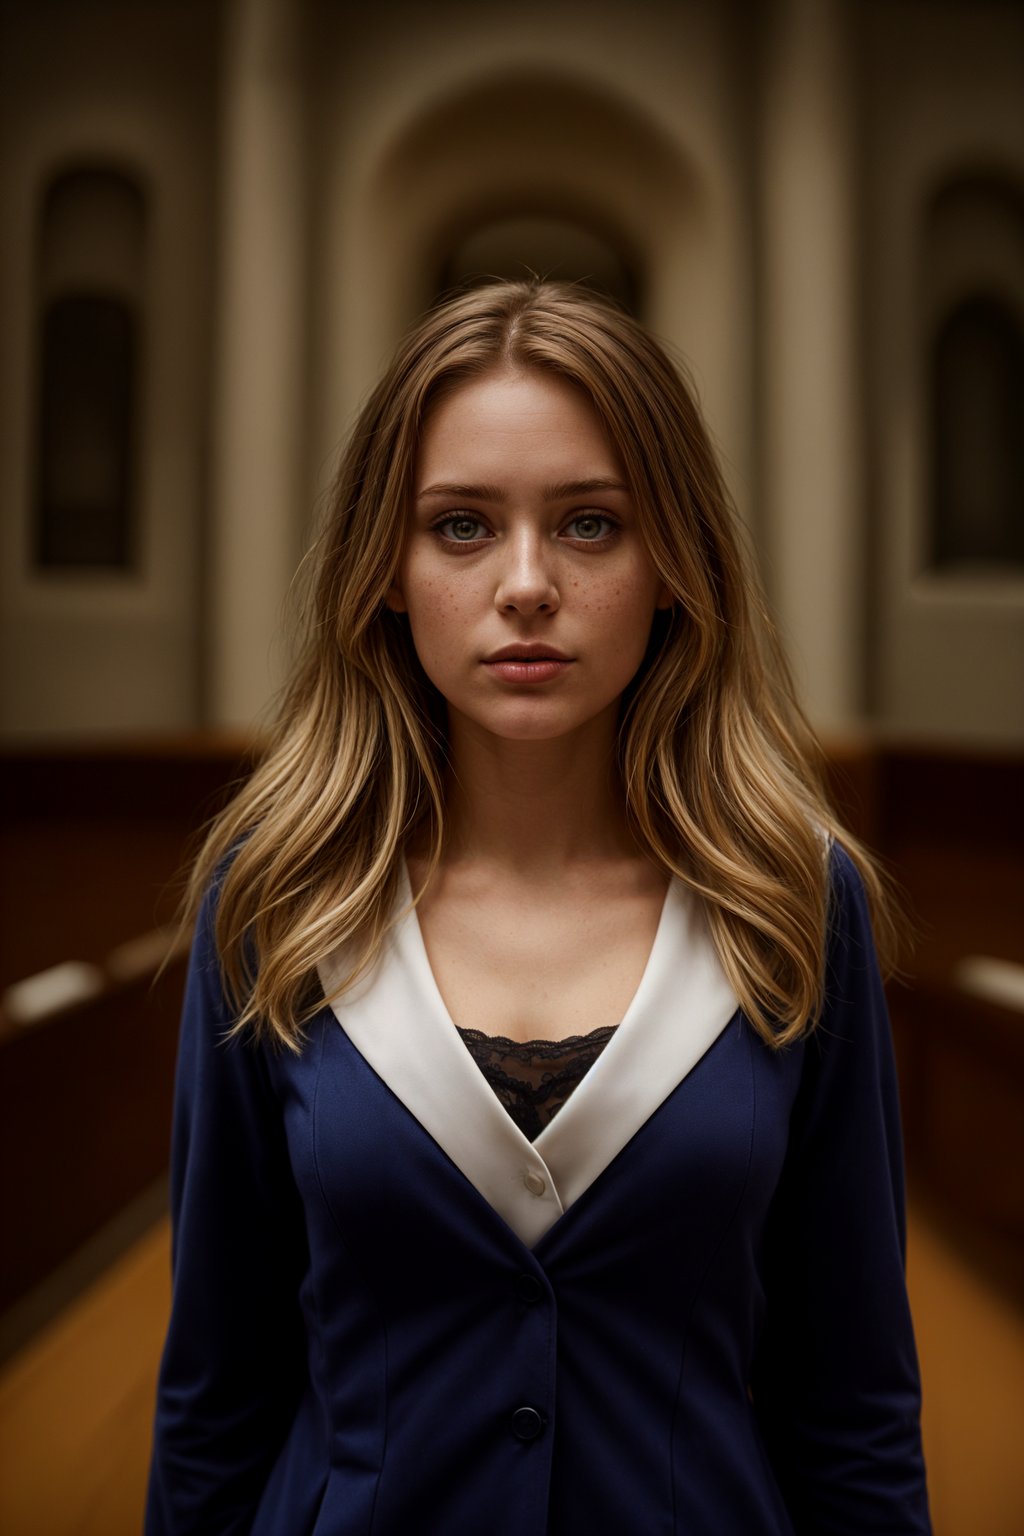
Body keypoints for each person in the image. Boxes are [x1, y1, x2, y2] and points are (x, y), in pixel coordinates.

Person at [145, 279, 932, 1535]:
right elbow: (217, 1394)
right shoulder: (277, 895)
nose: (524, 584)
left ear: (675, 559)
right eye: (460, 526)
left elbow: (850, 1405)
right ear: (385, 570)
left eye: (588, 525)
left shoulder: (790, 900)